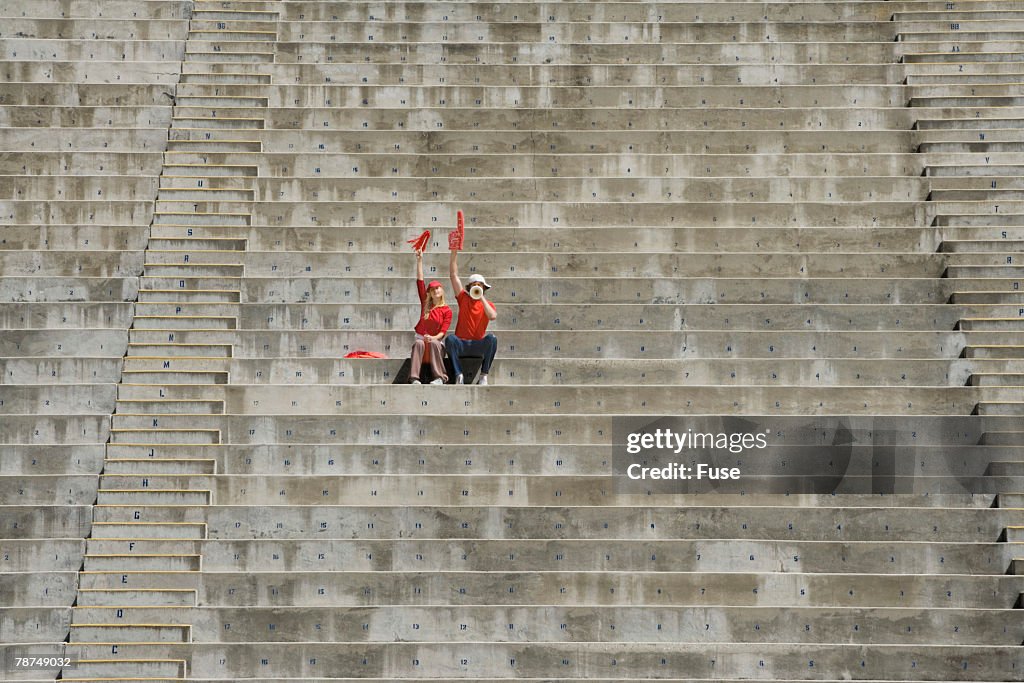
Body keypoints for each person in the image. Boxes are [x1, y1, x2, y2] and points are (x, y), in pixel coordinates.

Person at [445, 247, 497, 385]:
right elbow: (453, 275)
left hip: (477, 345)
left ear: (484, 288)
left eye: (480, 285)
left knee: (492, 339)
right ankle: (458, 375)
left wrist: (481, 298)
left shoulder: (488, 304)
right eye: (474, 285)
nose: (477, 287)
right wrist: (454, 253)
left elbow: (492, 316)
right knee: (450, 339)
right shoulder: (463, 298)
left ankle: (483, 375)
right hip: (461, 343)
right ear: (469, 288)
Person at [409, 249, 451, 384]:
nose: (435, 290)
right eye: (432, 290)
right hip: (422, 342)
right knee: (418, 343)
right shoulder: (425, 305)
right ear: (430, 294)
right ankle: (414, 378)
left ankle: (440, 377)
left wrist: (432, 338)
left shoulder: (447, 310)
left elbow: (443, 332)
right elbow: (420, 282)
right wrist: (419, 260)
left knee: (433, 343)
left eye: (438, 288)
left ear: (442, 290)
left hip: (435, 344)